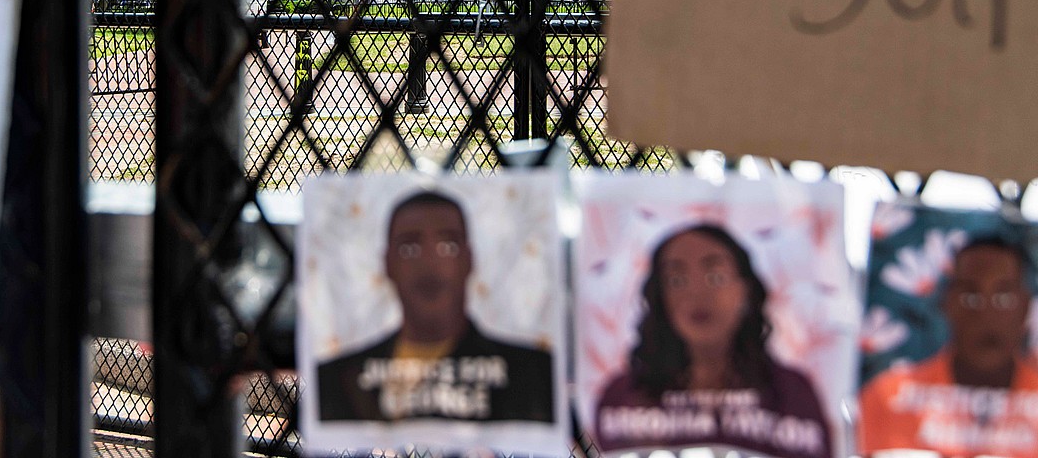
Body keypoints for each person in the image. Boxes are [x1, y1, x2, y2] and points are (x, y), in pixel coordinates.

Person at [314, 189, 555, 424]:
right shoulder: (335, 380)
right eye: (409, 248)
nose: (429, 262)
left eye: (448, 246)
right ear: (388, 263)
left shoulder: (534, 374)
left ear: (469, 260)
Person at [593, 224, 831, 458]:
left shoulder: (793, 393)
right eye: (677, 280)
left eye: (715, 277)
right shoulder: (622, 397)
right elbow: (583, 449)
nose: (697, 293)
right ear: (658, 296)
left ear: (745, 289)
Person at [859, 235, 1038, 458]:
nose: (985, 313)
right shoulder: (886, 399)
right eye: (971, 296)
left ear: (1026, 307)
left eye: (1003, 296)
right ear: (947, 303)